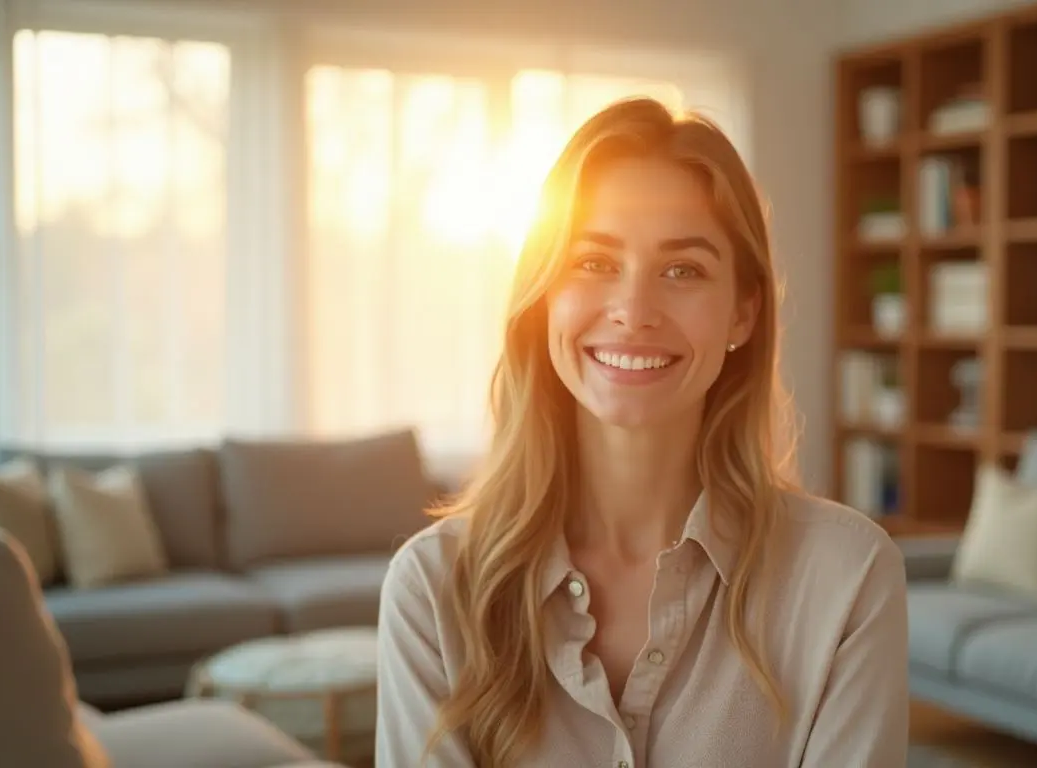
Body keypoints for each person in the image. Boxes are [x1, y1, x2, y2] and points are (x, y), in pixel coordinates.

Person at [374, 97, 909, 768]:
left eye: (682, 270)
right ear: (544, 300)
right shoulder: (432, 588)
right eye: (593, 263)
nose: (633, 311)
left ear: (742, 313)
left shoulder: (847, 580)